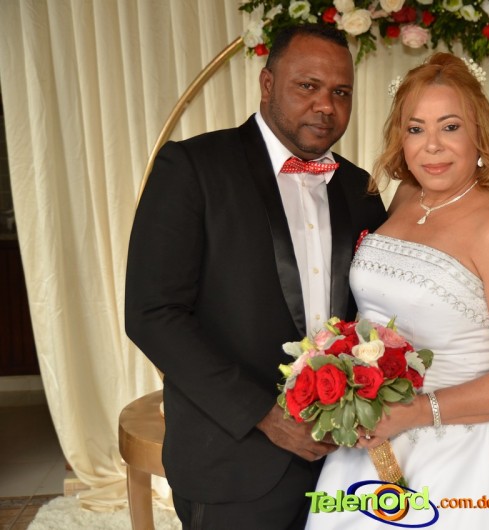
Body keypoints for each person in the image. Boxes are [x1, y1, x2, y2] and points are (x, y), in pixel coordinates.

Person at [305, 53, 489, 529]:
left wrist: (417, 411)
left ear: (479, 133)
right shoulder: (405, 196)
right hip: (370, 444)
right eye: (416, 129)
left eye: (450, 127)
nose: (432, 146)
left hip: (465, 458)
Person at [124, 25, 387, 529]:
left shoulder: (361, 189)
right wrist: (265, 415)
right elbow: (152, 314)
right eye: (307, 86)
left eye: (341, 92)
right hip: (234, 461)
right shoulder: (193, 167)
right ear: (267, 84)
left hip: (344, 462)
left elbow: (388, 306)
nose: (326, 106)